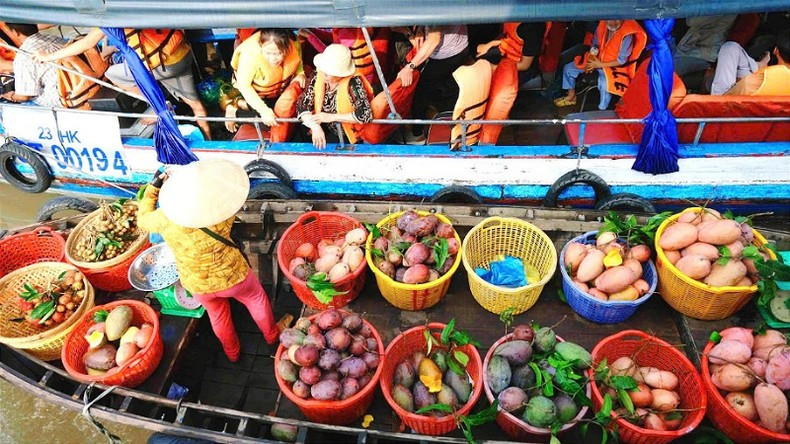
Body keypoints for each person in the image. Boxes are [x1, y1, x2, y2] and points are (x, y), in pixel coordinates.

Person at [137, 159, 279, 362]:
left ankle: (232, 353)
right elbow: (233, 194)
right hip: (233, 275)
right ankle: (272, 337)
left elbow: (142, 219)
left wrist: (153, 188)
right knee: (256, 298)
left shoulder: (164, 217)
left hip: (198, 284)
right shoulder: (219, 211)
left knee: (218, 315)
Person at [33, 28, 212, 139]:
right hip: (180, 54)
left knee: (112, 73)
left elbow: (87, 43)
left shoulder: (110, 14)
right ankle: (208, 140)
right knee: (195, 103)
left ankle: (158, 105)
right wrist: (113, 48)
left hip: (158, 65)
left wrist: (48, 57)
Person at [392, 25, 469, 144]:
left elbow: (434, 39)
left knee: (420, 93)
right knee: (445, 88)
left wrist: (410, 67)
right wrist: (421, 30)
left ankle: (416, 134)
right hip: (459, 46)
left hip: (446, 54)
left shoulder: (437, 7)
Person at [225, 29, 305, 133]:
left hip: (278, 89)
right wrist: (264, 111)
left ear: (287, 48)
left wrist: (300, 74)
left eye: (278, 53)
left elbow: (298, 62)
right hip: (257, 93)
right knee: (273, 124)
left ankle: (242, 104)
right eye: (268, 53)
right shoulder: (250, 55)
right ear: (260, 45)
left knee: (293, 113)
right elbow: (244, 86)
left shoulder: (294, 44)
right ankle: (234, 111)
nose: (273, 59)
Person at [554, 20, 646, 110]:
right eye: (609, 20)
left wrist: (599, 64)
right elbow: (595, 43)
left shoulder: (627, 35)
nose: (613, 23)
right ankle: (571, 96)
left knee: (605, 85)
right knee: (569, 68)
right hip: (597, 60)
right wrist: (592, 56)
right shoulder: (601, 26)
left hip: (613, 67)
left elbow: (621, 61)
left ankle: (602, 109)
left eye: (617, 19)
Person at [296, 44, 373, 149]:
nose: (324, 74)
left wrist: (332, 117)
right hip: (323, 127)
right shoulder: (317, 76)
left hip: (348, 134)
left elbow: (365, 114)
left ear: (341, 74)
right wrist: (315, 127)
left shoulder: (353, 82)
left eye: (330, 72)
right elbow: (302, 104)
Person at [0, 23, 65, 107]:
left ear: (16, 32)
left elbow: (23, 97)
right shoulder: (55, 38)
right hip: (77, 85)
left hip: (60, 98)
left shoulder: (24, 57)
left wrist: (11, 96)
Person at [711, 30, 790, 96]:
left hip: (727, 105)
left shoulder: (756, 82)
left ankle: (757, 66)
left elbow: (725, 99)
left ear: (775, 50)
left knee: (729, 48)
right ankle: (757, 65)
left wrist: (739, 83)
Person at [476, 22, 547, 87]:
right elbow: (507, 36)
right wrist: (490, 44)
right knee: (476, 63)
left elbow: (525, 65)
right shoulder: (513, 17)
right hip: (505, 52)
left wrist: (495, 68)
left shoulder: (532, 27)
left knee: (490, 84)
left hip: (520, 65)